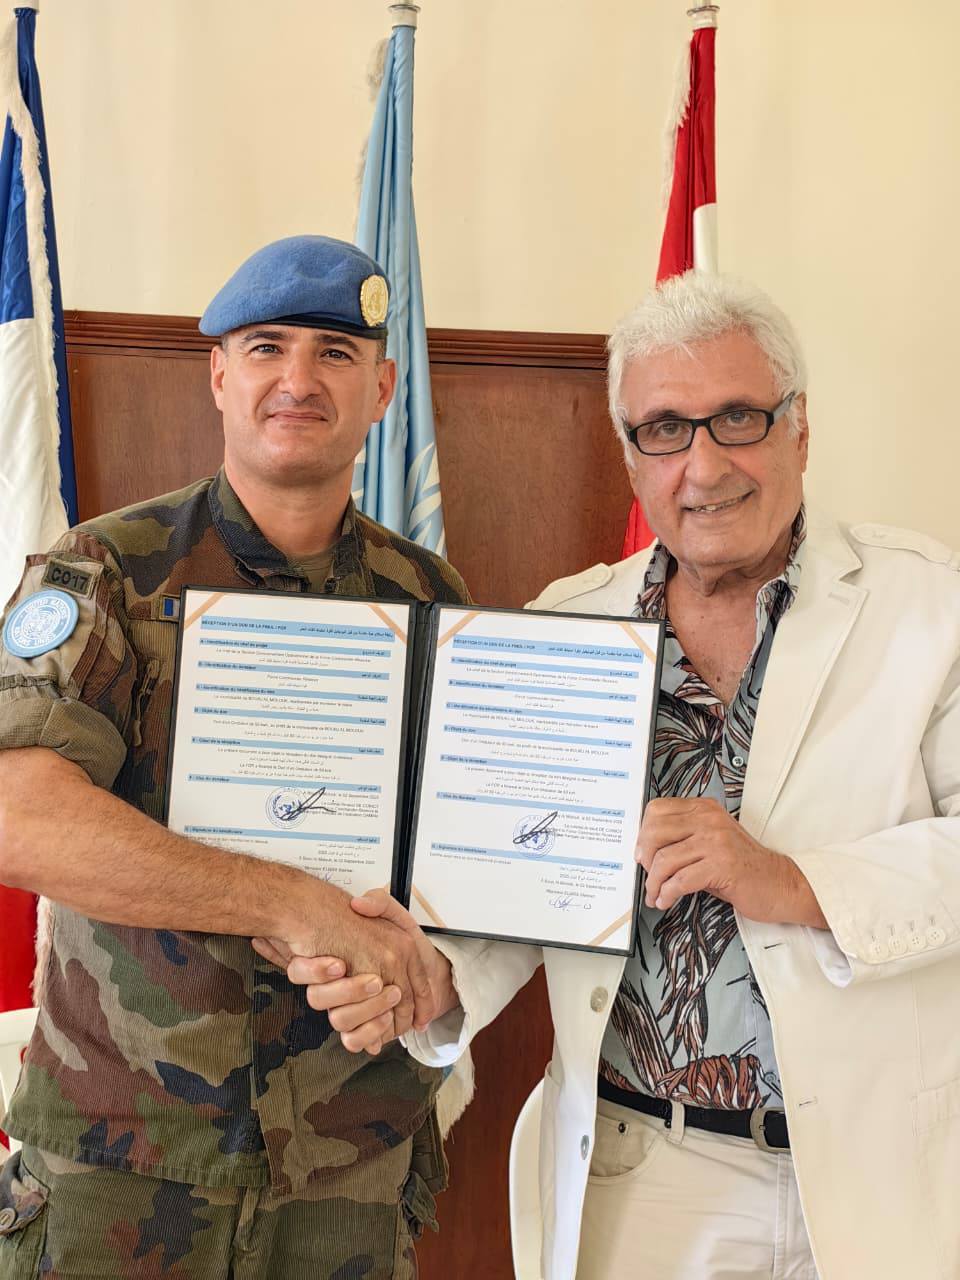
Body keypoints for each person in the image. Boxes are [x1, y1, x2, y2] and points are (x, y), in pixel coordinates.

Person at [288, 272, 960, 1279]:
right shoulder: (565, 626)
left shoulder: (929, 605)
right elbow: (517, 881)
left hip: (880, 1174)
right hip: (645, 1177)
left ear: (799, 429)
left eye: (739, 418)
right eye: (665, 430)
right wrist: (425, 979)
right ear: (631, 456)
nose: (705, 464)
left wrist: (789, 880)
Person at [0, 235, 469, 1279]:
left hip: (350, 1156)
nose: (298, 379)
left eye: (335, 353)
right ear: (219, 374)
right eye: (266, 347)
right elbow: (16, 811)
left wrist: (429, 973)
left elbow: (464, 848)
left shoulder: (431, 597)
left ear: (383, 388)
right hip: (127, 1153)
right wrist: (286, 901)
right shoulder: (107, 569)